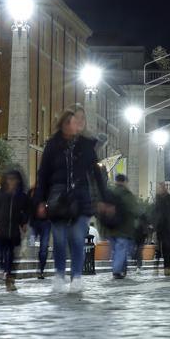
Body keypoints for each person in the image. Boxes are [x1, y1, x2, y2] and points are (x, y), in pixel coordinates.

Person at [34, 107, 112, 294]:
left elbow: (97, 173)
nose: (76, 124)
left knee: (77, 238)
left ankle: (76, 276)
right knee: (59, 240)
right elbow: (43, 174)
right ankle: (59, 275)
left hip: (81, 198)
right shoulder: (53, 145)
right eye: (72, 121)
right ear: (63, 124)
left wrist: (104, 199)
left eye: (79, 121)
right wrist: (39, 201)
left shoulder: (86, 146)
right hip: (58, 198)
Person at [0, 167, 30, 292]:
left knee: (10, 256)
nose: (11, 182)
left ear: (18, 181)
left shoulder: (21, 197)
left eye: (14, 180)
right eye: (9, 179)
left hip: (13, 233)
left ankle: (8, 278)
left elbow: (26, 211)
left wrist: (24, 222)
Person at [102, 173, 140, 279]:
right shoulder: (127, 194)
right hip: (123, 229)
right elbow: (135, 210)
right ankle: (117, 270)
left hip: (110, 228)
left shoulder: (109, 192)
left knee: (116, 250)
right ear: (124, 182)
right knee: (121, 249)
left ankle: (121, 269)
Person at [151, 181, 170, 276]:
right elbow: (154, 214)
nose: (161, 189)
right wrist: (153, 226)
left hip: (169, 228)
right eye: (160, 187)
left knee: (168, 249)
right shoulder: (157, 200)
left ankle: (167, 268)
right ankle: (156, 268)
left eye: (162, 187)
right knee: (158, 249)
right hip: (160, 228)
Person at [27, 185, 51, 279]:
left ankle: (41, 270)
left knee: (44, 248)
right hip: (34, 223)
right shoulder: (33, 191)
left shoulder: (49, 193)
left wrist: (46, 208)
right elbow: (28, 207)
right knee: (31, 243)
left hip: (46, 224)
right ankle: (33, 261)